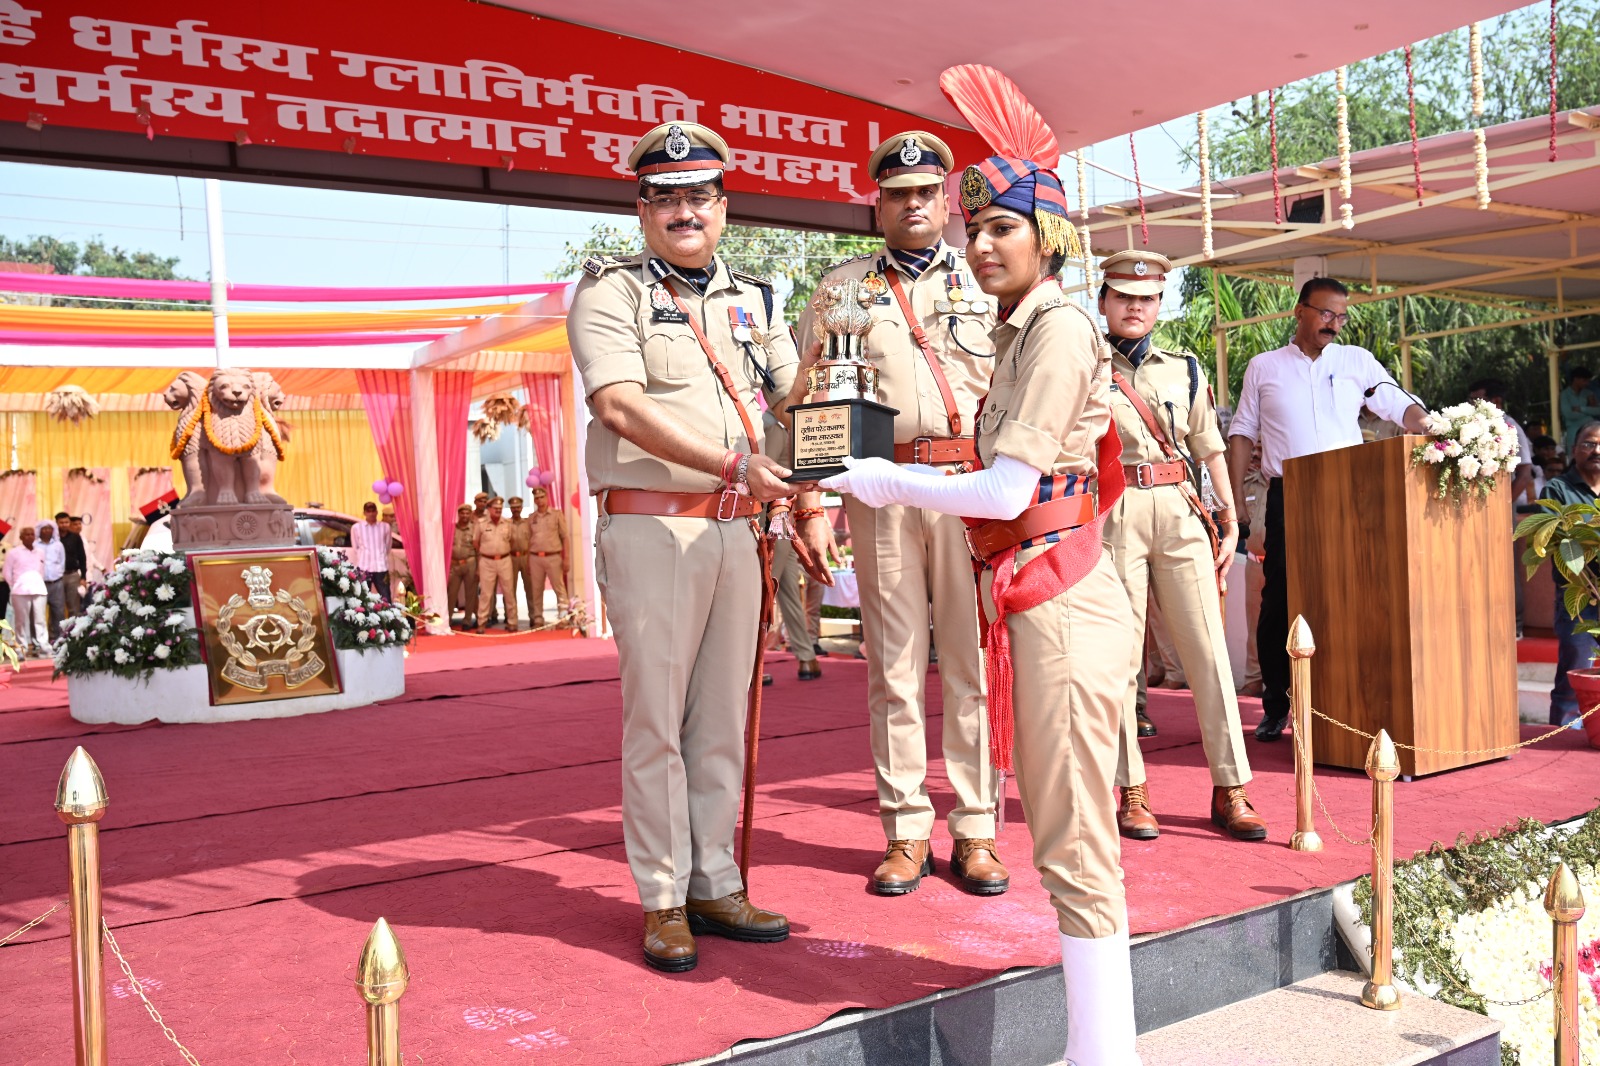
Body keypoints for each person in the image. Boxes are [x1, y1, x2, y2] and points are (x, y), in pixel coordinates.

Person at [823, 84, 1141, 1061]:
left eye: (1002, 225)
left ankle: (1104, 1048)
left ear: (1046, 235)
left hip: (1033, 561)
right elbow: (824, 392)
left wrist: (873, 479)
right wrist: (836, 481)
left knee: (1071, 832)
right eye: (976, 227)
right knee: (1060, 823)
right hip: (1018, 569)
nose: (976, 242)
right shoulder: (888, 298)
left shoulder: (1050, 329)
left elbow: (1008, 486)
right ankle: (1100, 1041)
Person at [569, 121, 803, 973]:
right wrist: (736, 462)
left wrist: (837, 360)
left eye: (698, 196)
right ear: (642, 209)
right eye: (665, 198)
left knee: (721, 719)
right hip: (654, 523)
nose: (683, 211)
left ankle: (715, 880)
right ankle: (662, 896)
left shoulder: (758, 298)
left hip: (737, 525)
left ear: (723, 207)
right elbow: (621, 408)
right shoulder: (611, 293)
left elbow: (794, 392)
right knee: (658, 722)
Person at [789, 130, 1004, 897]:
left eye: (926, 192)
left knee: (975, 664)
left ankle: (976, 828)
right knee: (896, 668)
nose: (914, 205)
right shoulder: (842, 288)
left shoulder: (988, 278)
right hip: (881, 491)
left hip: (972, 490)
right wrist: (813, 499)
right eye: (898, 193)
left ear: (946, 200)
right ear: (876, 202)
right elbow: (816, 396)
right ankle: (906, 829)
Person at [1094, 249, 1262, 843]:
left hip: (1180, 510)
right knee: (1116, 661)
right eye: (1123, 297)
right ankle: (1131, 789)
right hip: (1111, 512)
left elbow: (1210, 446)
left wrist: (1230, 514)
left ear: (1160, 304)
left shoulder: (1185, 367)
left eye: (1146, 299)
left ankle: (1230, 787)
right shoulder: (1085, 364)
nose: (1135, 307)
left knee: (1209, 654)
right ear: (1104, 301)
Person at [1227, 277, 1428, 741]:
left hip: (1351, 496)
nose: (1334, 325)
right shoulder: (1264, 366)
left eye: (1341, 316)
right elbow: (1242, 431)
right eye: (1325, 314)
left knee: (1350, 595)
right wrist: (1236, 497)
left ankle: (1343, 701)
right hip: (1288, 495)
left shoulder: (1355, 360)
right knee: (1281, 599)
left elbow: (1395, 402)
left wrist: (1432, 427)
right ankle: (1277, 704)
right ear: (1300, 311)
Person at [1541, 419, 1600, 726]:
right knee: (1576, 670)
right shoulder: (1558, 489)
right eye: (1589, 443)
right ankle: (1561, 734)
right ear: (1575, 450)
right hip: (1578, 598)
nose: (1596, 450)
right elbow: (1553, 539)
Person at [1468, 378, 1534, 639]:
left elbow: (1525, 471)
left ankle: (1515, 624)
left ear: (1496, 401)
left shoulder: (1509, 426)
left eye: (1477, 399)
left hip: (1501, 509)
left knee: (1505, 565)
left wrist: (1505, 501)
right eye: (1470, 399)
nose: (1472, 404)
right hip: (1475, 508)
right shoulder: (1471, 425)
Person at [525, 487, 569, 626]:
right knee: (536, 590)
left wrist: (566, 558)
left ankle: (563, 617)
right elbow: (528, 540)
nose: (539, 500)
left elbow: (565, 537)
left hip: (553, 556)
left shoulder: (556, 515)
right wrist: (527, 561)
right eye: (537, 498)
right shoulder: (531, 518)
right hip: (535, 557)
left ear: (547, 498)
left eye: (542, 497)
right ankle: (538, 618)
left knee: (559, 588)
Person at [4, 524, 50, 658]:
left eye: (32, 534)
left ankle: (43, 646)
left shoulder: (40, 552)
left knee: (40, 620)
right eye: (27, 534)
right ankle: (21, 648)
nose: (30, 536)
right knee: (21, 621)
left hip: (39, 589)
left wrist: (37, 581)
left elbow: (42, 570)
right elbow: (7, 572)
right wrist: (15, 585)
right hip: (20, 590)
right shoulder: (14, 552)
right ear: (21, 537)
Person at [474, 496, 516, 633]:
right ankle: (481, 622)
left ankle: (512, 622)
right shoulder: (481, 524)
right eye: (495, 508)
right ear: (489, 509)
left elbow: (512, 541)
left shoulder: (507, 523)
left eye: (500, 508)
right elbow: (476, 542)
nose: (498, 510)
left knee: (509, 591)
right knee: (486, 593)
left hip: (504, 560)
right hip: (487, 561)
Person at [351, 501, 393, 602]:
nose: (371, 513)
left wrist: (380, 555)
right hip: (364, 567)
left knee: (386, 596)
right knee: (363, 598)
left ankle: (389, 617)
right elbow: (355, 547)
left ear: (377, 512)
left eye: (373, 511)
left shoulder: (385, 527)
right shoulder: (356, 528)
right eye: (368, 511)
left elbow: (388, 546)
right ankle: (365, 617)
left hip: (381, 567)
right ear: (364, 513)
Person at [448, 504, 478, 629]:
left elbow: (478, 548)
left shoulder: (475, 529)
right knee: (451, 593)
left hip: (470, 563)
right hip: (454, 564)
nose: (464, 516)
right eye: (462, 513)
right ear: (458, 514)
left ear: (470, 514)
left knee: (470, 593)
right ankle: (447, 619)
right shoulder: (452, 528)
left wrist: (479, 568)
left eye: (467, 513)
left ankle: (467, 620)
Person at [35, 520, 66, 641]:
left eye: (49, 528)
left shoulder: (58, 545)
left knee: (58, 612)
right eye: (44, 528)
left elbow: (61, 562)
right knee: (40, 614)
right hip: (40, 584)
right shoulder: (35, 545)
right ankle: (42, 641)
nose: (47, 531)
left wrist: (58, 574)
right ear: (39, 530)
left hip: (56, 583)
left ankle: (59, 639)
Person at [1560, 367, 1600, 453]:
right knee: (1575, 454)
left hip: (1591, 429)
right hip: (1573, 431)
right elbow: (1569, 414)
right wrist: (1589, 414)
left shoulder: (1588, 393)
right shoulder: (1565, 395)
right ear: (1576, 379)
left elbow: (1598, 410)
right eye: (1585, 380)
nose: (1587, 383)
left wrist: (1581, 409)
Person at [56, 512, 86, 619]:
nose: (64, 525)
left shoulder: (75, 537)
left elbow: (82, 557)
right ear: (57, 523)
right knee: (57, 607)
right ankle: (56, 634)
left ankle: (73, 633)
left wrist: (83, 577)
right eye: (61, 522)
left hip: (73, 575)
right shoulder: (53, 538)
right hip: (57, 577)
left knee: (74, 607)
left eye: (66, 522)